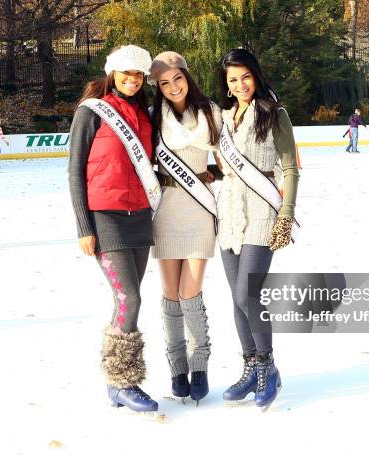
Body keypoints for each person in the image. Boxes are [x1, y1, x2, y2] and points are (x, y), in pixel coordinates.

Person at [67, 45, 160, 413]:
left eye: (139, 74)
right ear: (112, 73)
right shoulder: (91, 111)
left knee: (130, 297)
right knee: (129, 298)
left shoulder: (144, 114)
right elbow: (74, 170)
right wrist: (83, 226)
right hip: (105, 217)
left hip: (140, 217)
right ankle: (122, 381)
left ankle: (117, 383)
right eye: (126, 73)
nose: (132, 79)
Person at [216, 48, 299, 410]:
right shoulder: (223, 116)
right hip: (229, 211)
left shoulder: (274, 113)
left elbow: (291, 169)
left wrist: (286, 214)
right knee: (236, 298)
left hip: (263, 209)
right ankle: (250, 367)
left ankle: (268, 366)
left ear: (256, 75)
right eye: (232, 79)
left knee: (247, 296)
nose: (239, 85)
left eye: (245, 76)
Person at [147, 51, 222, 405]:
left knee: (191, 292)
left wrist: (211, 174)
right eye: (164, 83)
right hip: (166, 210)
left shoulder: (212, 112)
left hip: (200, 209)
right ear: (158, 88)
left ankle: (200, 365)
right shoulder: (152, 118)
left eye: (177, 79)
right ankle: (177, 368)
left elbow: (228, 160)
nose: (173, 87)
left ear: (187, 77)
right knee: (170, 294)